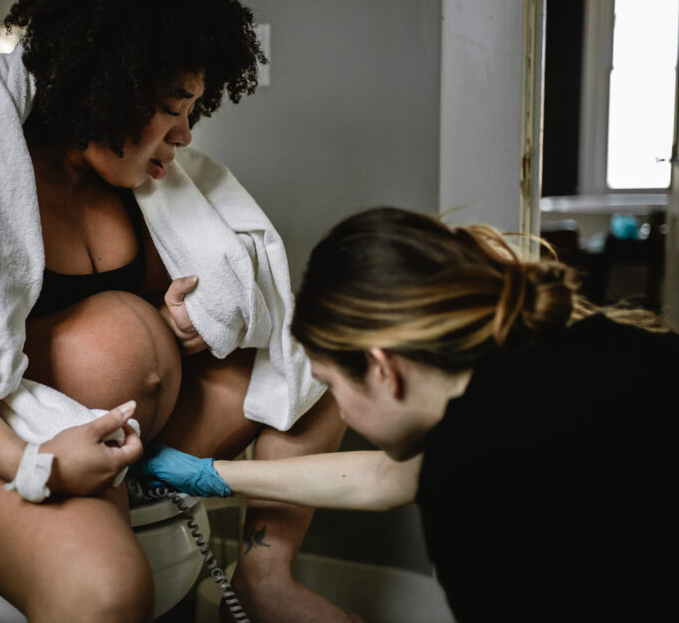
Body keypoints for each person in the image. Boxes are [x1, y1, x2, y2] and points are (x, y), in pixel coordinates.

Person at [0, 0, 358, 623]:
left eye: (193, 110)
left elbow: (147, 312)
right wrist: (38, 464)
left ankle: (265, 573)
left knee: (322, 363)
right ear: (107, 89)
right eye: (172, 108)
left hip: (123, 428)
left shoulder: (132, 184)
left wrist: (181, 320)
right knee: (107, 593)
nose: (184, 133)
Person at [134, 206, 679, 621]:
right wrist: (209, 474)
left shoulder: (475, 480)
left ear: (384, 369)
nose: (336, 406)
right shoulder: (563, 349)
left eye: (330, 384)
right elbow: (389, 475)